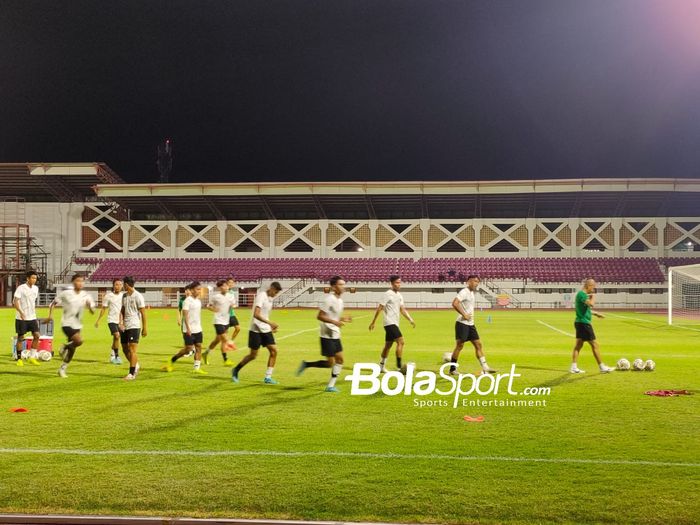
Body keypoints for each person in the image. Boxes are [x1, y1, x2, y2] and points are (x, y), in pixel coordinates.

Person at [297, 276, 352, 392]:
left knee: (340, 360)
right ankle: (307, 364)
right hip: (326, 336)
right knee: (330, 363)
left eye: (344, 284)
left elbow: (333, 316)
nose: (343, 287)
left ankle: (330, 386)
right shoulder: (329, 299)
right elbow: (320, 316)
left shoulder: (340, 301)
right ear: (333, 286)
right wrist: (335, 322)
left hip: (335, 334)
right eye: (340, 284)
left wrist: (342, 319)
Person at [231, 282, 282, 384]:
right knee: (253, 355)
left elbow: (265, 315)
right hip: (255, 329)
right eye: (275, 292)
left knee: (274, 351)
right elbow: (256, 314)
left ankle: (268, 377)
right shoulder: (261, 296)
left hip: (265, 329)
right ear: (271, 288)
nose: (275, 294)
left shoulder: (270, 298)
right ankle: (236, 370)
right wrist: (270, 323)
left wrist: (269, 327)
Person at [47, 274, 95, 378]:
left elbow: (92, 311)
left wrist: (89, 307)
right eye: (78, 281)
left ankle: (62, 369)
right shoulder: (66, 293)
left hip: (78, 325)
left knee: (72, 349)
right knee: (78, 341)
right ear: (73, 282)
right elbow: (53, 303)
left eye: (82, 281)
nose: (80, 283)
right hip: (67, 323)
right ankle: (64, 347)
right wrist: (50, 316)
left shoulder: (86, 295)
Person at [449, 275, 496, 375]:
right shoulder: (464, 292)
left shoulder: (472, 293)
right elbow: (455, 303)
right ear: (468, 281)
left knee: (478, 344)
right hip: (462, 323)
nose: (476, 283)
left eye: (477, 282)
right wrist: (464, 314)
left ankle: (485, 367)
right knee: (459, 346)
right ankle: (452, 369)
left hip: (471, 324)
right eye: (474, 281)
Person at [368, 275, 415, 373]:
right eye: (397, 282)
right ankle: (399, 367)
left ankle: (381, 366)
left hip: (395, 323)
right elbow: (380, 308)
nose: (399, 284)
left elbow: (402, 309)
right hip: (389, 323)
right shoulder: (387, 294)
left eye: (400, 282)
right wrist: (373, 322)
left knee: (388, 345)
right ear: (392, 283)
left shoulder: (399, 295)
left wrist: (410, 319)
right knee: (401, 342)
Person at [570, 278, 614, 374]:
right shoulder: (582, 294)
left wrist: (595, 314)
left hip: (580, 322)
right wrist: (593, 297)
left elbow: (583, 309)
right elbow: (591, 304)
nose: (593, 289)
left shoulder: (582, 295)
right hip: (584, 323)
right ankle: (602, 367)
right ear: (588, 285)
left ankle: (573, 367)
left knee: (578, 345)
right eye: (593, 287)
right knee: (595, 345)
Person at [163, 282, 206, 374]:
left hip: (198, 328)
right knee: (188, 349)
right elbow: (185, 316)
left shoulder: (198, 301)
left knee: (199, 347)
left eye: (200, 289)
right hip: (188, 329)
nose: (199, 291)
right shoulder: (187, 301)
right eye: (197, 289)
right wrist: (188, 329)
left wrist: (199, 327)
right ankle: (172, 360)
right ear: (192, 290)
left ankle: (196, 368)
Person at [120, 276, 147, 380]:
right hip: (125, 326)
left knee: (132, 349)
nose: (122, 286)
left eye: (123, 284)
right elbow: (122, 310)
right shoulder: (124, 296)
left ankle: (131, 374)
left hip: (134, 326)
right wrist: (120, 322)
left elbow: (143, 313)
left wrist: (145, 328)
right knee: (124, 348)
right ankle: (136, 365)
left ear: (126, 284)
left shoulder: (138, 296)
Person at [204, 279, 236, 366]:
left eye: (226, 285)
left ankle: (206, 353)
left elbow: (233, 305)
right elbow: (208, 306)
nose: (225, 287)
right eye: (222, 286)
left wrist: (233, 306)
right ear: (219, 288)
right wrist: (213, 309)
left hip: (226, 320)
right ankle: (226, 359)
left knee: (218, 340)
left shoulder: (231, 296)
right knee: (225, 338)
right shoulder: (215, 297)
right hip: (218, 320)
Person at [13, 270, 41, 366]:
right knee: (21, 338)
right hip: (21, 318)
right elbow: (15, 301)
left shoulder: (36, 289)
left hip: (32, 317)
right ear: (28, 278)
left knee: (37, 335)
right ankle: (19, 359)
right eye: (32, 278)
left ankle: (32, 357)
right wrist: (21, 312)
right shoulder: (21, 288)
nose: (34, 280)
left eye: (35, 278)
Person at [94, 278, 124, 364]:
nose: (118, 286)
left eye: (120, 284)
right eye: (116, 284)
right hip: (111, 320)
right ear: (113, 286)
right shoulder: (108, 296)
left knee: (116, 338)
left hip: (120, 321)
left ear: (122, 286)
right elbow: (103, 308)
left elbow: (124, 309)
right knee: (117, 336)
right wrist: (98, 320)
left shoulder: (123, 296)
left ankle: (112, 355)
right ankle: (117, 356)